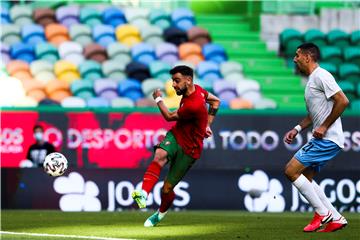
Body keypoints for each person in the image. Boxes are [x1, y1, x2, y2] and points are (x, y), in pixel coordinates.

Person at [132, 65, 220, 227]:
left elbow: (169, 116)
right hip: (176, 135)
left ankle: (159, 214)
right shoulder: (200, 90)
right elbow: (215, 101)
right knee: (160, 155)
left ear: (188, 80)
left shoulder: (193, 103)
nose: (173, 84)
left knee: (166, 189)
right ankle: (143, 193)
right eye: (173, 80)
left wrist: (158, 99)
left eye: (177, 81)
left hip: (190, 149)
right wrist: (207, 125)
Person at [284, 43, 349, 232]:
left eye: (297, 55)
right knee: (305, 177)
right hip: (324, 138)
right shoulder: (313, 79)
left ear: (307, 57)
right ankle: (336, 218)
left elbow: (343, 101)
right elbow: (315, 113)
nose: (295, 59)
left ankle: (322, 213)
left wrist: (324, 126)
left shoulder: (322, 75)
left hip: (328, 138)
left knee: (290, 170)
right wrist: (297, 128)